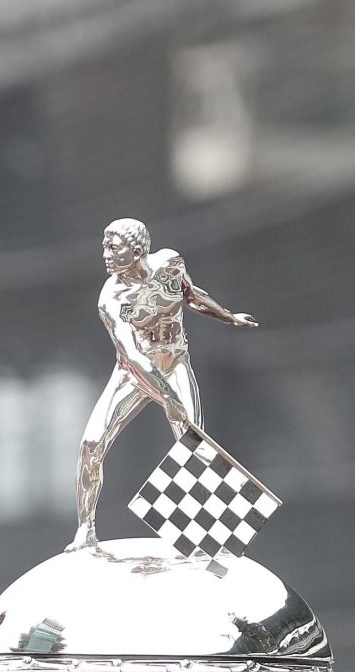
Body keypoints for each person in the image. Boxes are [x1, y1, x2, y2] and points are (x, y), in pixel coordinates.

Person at [70, 218, 259, 548]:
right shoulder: (111, 300)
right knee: (90, 445)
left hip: (174, 363)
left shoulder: (170, 264)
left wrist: (228, 316)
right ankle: (85, 529)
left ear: (138, 250)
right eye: (105, 246)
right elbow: (131, 355)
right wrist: (166, 395)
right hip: (133, 373)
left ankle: (209, 532)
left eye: (113, 247)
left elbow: (192, 295)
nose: (105, 254)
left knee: (194, 443)